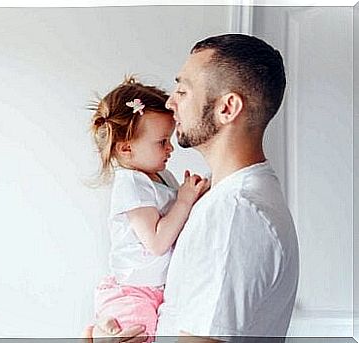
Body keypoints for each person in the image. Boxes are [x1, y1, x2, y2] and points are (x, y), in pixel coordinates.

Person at [86, 34, 300, 342]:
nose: (171, 103)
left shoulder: (234, 214)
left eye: (183, 91)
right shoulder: (222, 199)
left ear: (227, 108)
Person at [88, 77, 211, 341]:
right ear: (126, 148)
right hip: (133, 293)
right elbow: (156, 242)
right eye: (162, 141)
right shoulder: (131, 183)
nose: (170, 148)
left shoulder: (160, 176)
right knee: (137, 335)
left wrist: (194, 194)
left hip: (153, 289)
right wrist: (184, 200)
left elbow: (177, 219)